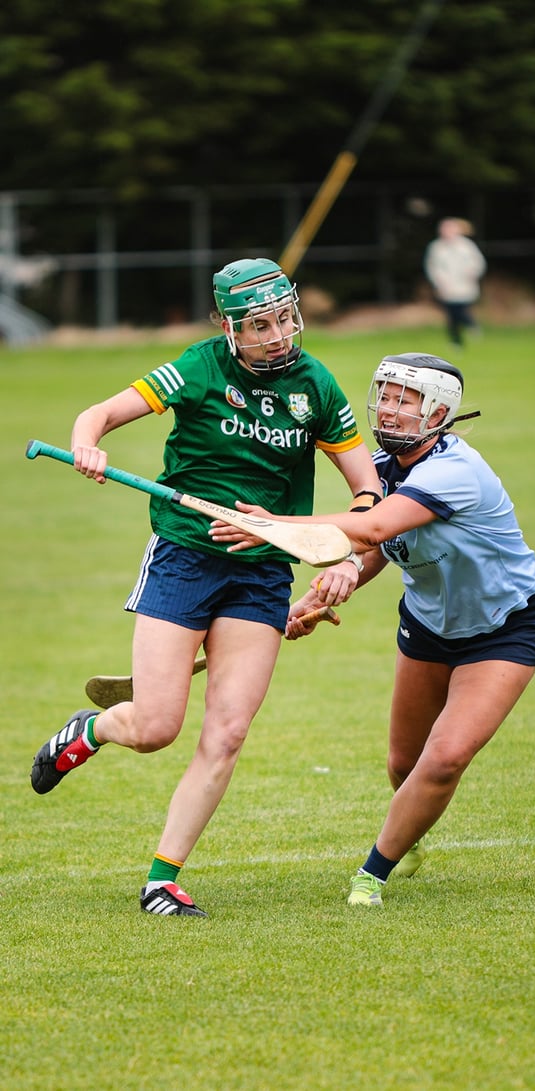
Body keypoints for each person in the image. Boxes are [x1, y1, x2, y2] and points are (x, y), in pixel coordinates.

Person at [29, 257, 381, 918]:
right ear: (228, 326)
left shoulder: (317, 387)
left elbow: (368, 494)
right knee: (156, 724)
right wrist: (88, 445)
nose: (277, 334)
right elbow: (98, 413)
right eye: (259, 324)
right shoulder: (196, 367)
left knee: (226, 733)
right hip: (184, 557)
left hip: (263, 573)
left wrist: (329, 545)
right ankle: (94, 729)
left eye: (284, 318)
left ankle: (162, 879)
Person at [210, 352, 535, 908]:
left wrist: (270, 526)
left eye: (404, 400)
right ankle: (412, 831)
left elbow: (371, 524)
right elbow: (374, 545)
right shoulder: (383, 468)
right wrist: (327, 588)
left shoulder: (454, 472)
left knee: (443, 758)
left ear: (438, 411)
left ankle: (373, 873)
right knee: (403, 764)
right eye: (385, 396)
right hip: (428, 625)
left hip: (503, 628)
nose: (388, 410)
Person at [424, 218, 487, 347]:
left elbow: (478, 263)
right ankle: (456, 341)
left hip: (464, 285)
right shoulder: (436, 247)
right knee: (451, 314)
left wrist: (472, 272)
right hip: (446, 286)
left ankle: (470, 324)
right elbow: (432, 267)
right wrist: (438, 280)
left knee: (461, 310)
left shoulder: (466, 246)